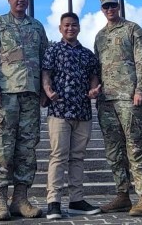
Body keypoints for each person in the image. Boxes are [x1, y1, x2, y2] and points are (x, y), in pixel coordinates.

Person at [0, 0, 48, 220]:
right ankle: (0, 199)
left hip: (30, 95)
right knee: (1, 147)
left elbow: (44, 59)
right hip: (5, 95)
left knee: (27, 149)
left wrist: (44, 89)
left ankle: (20, 199)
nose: (20, 0)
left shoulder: (37, 27)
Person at [92, 0, 142, 216]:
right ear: (102, 9)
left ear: (118, 6)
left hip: (130, 98)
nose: (109, 9)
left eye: (112, 5)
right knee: (114, 151)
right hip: (107, 101)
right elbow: (97, 68)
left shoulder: (133, 29)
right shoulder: (100, 36)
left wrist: (141, 89)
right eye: (105, 6)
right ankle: (122, 195)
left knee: (136, 147)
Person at [41, 12, 102, 219]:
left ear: (79, 28)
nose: (70, 28)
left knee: (77, 157)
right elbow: (46, 74)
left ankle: (76, 199)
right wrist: (48, 92)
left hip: (83, 112)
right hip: (59, 111)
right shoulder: (53, 50)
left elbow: (94, 77)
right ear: (60, 28)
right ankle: (53, 202)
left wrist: (94, 90)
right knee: (58, 156)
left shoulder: (87, 54)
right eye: (66, 25)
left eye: (74, 25)